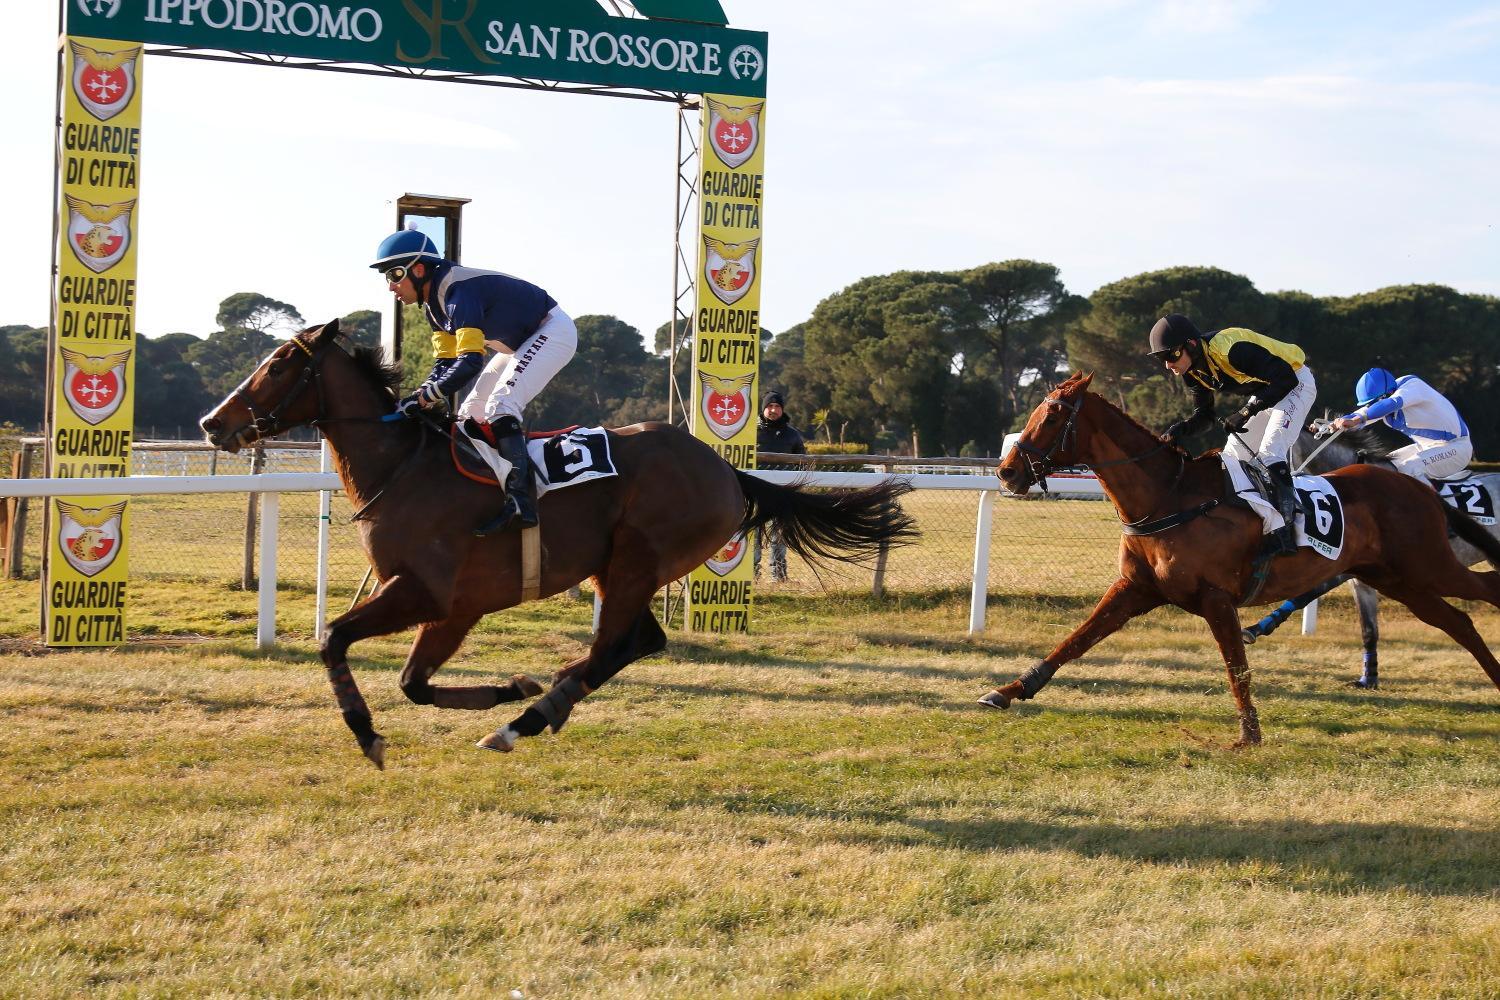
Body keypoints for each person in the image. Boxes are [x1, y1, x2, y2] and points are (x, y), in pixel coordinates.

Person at [371, 226, 576, 533]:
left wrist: (426, 398)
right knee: (472, 412)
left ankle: (522, 501)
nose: (390, 286)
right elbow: (445, 363)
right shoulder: (433, 308)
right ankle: (488, 491)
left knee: (501, 407)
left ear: (420, 269)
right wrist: (421, 394)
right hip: (520, 343)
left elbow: (469, 363)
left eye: (395, 274)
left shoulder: (457, 294)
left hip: (552, 331)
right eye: (386, 276)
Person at [1148, 313, 1316, 556]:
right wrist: (1181, 429)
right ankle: (1254, 524)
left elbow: (1285, 379)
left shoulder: (1230, 349)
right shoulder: (1191, 372)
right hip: (1269, 391)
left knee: (1270, 452)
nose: (1168, 364)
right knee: (1232, 457)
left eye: (1171, 355)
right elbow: (1205, 416)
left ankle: (1289, 534)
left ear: (1192, 345)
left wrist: (1246, 411)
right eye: (1161, 358)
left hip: (1296, 382)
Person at [1330, 368, 1471, 485]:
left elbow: (1389, 404)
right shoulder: (1384, 398)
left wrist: (1358, 419)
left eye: (1373, 403)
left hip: (1457, 448)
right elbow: (1361, 413)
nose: (1370, 406)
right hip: (1426, 447)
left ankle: (1439, 511)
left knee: (1408, 468)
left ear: (1387, 394)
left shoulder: (1412, 385)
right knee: (1382, 468)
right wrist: (1331, 426)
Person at [753, 390, 806, 582]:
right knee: (754, 537)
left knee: (780, 537)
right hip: (755, 492)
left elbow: (803, 462)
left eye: (777, 407)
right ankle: (752, 576)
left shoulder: (793, 435)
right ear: (763, 408)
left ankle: (779, 576)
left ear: (782, 409)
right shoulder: (750, 431)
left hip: (782, 493)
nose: (773, 410)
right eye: (769, 406)